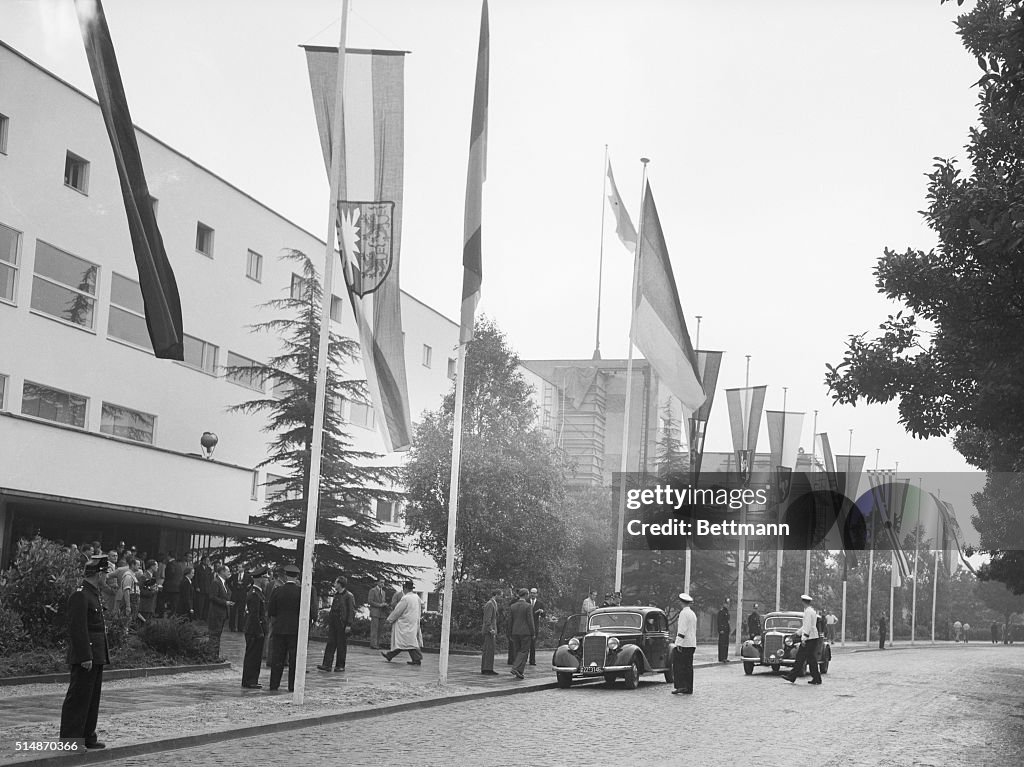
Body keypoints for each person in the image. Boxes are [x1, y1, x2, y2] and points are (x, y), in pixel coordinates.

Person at [60, 555, 111, 749]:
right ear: (98, 574)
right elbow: (78, 628)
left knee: (91, 698)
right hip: (87, 655)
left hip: (96, 655)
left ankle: (88, 735)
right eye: (105, 573)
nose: (106, 577)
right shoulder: (81, 594)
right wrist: (85, 656)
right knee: (79, 698)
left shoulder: (93, 594)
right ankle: (70, 740)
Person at [267, 564, 302, 692]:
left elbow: (271, 610)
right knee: (293, 660)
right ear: (297, 576)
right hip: (294, 630)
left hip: (280, 628)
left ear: (286, 576)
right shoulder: (300, 592)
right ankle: (292, 686)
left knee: (278, 658)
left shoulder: (277, 590)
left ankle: (274, 684)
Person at [318, 576, 356, 672]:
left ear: (340, 584)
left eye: (336, 583)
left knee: (341, 645)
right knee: (330, 643)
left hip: (342, 622)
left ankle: (340, 665)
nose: (334, 585)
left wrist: (348, 624)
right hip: (334, 621)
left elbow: (351, 611)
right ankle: (327, 664)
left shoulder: (349, 596)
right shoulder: (337, 595)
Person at [783, 595, 822, 685]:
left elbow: (807, 626)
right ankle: (816, 678)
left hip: (809, 638)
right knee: (811, 659)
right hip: (813, 637)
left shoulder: (808, 612)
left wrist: (804, 638)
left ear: (803, 602)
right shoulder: (812, 611)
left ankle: (792, 676)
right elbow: (806, 626)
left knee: (800, 658)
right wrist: (797, 633)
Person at [382, 580, 423, 665]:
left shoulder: (405, 598)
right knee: (406, 642)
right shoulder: (417, 597)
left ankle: (417, 659)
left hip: (404, 623)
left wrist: (389, 620)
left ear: (405, 588)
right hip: (413, 622)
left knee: (406, 642)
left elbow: (398, 610)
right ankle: (389, 655)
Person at [242, 567, 269, 689]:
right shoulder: (254, 594)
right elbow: (254, 615)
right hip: (254, 630)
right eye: (265, 578)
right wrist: (259, 632)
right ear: (260, 579)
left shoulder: (257, 592)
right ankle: (250, 680)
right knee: (253, 656)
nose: (267, 580)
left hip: (255, 629)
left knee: (254, 656)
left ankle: (251, 679)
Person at [671, 592, 697, 695]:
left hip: (684, 643)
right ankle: (688, 687)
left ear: (681, 602)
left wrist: (678, 643)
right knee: (688, 666)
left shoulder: (683, 613)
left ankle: (680, 686)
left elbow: (682, 630)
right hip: (691, 643)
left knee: (679, 665)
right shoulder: (692, 613)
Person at [507, 588, 535, 680]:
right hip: (525, 632)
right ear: (526, 595)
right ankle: (515, 668)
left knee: (517, 651)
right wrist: (533, 632)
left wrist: (509, 633)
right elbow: (530, 621)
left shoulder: (513, 606)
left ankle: (519, 672)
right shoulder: (528, 606)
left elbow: (510, 621)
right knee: (524, 651)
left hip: (515, 631)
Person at [207, 565, 233, 661]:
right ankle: (212, 656)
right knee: (214, 634)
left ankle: (214, 655)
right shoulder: (216, 582)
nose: (229, 573)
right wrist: (225, 602)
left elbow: (228, 594)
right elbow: (212, 597)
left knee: (218, 634)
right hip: (216, 613)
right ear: (222, 572)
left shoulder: (224, 583)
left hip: (222, 613)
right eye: (227, 571)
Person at [481, 588, 500, 675]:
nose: (501, 598)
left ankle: (488, 667)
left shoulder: (493, 603)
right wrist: (491, 629)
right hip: (489, 631)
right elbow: (487, 618)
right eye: (500, 595)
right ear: (496, 594)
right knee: (488, 649)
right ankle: (486, 668)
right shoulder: (490, 604)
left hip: (491, 630)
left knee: (490, 649)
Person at [228, 564, 251, 632]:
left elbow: (251, 583)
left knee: (241, 612)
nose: (238, 568)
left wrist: (246, 589)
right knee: (233, 612)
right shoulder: (234, 575)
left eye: (240, 567)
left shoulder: (247, 576)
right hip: (235, 595)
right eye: (238, 567)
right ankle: (232, 627)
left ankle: (240, 627)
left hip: (242, 595)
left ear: (243, 568)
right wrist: (232, 589)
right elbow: (228, 582)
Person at [367, 577, 389, 650]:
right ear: (377, 582)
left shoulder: (383, 592)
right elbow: (370, 601)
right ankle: (373, 644)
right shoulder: (372, 590)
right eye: (381, 582)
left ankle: (377, 643)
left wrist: (384, 604)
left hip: (382, 613)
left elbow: (383, 601)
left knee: (380, 629)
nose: (382, 584)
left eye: (383, 583)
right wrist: (379, 605)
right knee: (374, 629)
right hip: (375, 612)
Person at [162, 553, 184, 618]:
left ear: (169, 556)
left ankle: (163, 613)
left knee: (163, 600)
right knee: (174, 602)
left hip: (169, 586)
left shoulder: (170, 564)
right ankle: (173, 614)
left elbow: (169, 574)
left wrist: (165, 583)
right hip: (177, 586)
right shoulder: (179, 565)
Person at [528, 588, 545, 666]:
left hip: (535, 625)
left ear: (537, 594)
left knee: (533, 644)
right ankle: (523, 660)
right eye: (531, 593)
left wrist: (542, 612)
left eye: (534, 593)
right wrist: (536, 612)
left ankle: (532, 660)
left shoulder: (540, 603)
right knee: (525, 644)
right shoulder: (526, 602)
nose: (532, 594)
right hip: (527, 625)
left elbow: (544, 615)